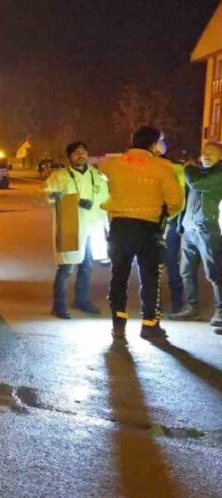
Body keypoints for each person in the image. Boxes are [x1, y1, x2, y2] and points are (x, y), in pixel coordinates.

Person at [98, 126, 184, 340]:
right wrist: (162, 215)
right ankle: (149, 324)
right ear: (154, 144)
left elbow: (100, 189)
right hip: (149, 228)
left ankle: (118, 323)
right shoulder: (163, 167)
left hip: (119, 227)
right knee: (150, 276)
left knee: (118, 275)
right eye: (160, 141)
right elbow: (176, 202)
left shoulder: (110, 165)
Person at [44, 141, 109, 318]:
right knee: (66, 268)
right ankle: (58, 306)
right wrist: (74, 201)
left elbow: (106, 201)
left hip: (92, 227)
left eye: (83, 152)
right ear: (69, 156)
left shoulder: (98, 176)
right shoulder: (59, 176)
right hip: (69, 225)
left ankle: (82, 300)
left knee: (87, 266)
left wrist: (108, 227)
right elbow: (49, 196)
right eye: (76, 153)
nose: (81, 155)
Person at [172, 141, 222, 326]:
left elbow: (195, 183)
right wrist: (181, 223)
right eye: (204, 152)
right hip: (190, 229)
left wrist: (187, 167)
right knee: (186, 271)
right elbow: (186, 198)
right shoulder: (200, 172)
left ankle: (220, 311)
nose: (206, 155)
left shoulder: (217, 173)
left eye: (211, 152)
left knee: (215, 272)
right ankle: (191, 308)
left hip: (209, 229)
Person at [159, 148, 188, 314]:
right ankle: (155, 301)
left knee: (169, 262)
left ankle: (177, 299)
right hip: (156, 222)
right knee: (158, 264)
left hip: (169, 222)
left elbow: (181, 198)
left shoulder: (177, 171)